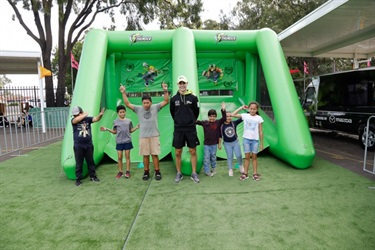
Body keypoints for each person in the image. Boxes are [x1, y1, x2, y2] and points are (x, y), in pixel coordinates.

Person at [120, 82, 169, 181]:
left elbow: (166, 101)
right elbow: (127, 104)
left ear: (151, 102)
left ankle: (157, 171)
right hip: (143, 136)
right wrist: (123, 93)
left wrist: (165, 90)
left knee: (155, 154)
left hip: (154, 135)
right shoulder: (138, 109)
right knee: (145, 155)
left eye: (147, 102)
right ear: (142, 103)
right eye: (144, 103)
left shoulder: (156, 107)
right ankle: (146, 172)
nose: (146, 105)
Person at [170, 75, 200, 183]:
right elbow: (173, 113)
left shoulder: (193, 97)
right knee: (178, 152)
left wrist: (190, 121)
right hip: (178, 129)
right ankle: (179, 173)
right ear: (178, 85)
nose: (182, 85)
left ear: (187, 84)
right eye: (180, 83)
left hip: (190, 128)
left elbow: (196, 112)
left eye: (184, 83)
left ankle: (194, 173)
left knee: (192, 150)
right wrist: (180, 122)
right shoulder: (173, 99)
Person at [100, 105, 139, 179]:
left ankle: (128, 171)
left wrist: (136, 127)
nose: (122, 114)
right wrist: (107, 129)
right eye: (120, 112)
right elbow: (115, 131)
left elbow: (130, 130)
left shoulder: (129, 121)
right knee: (119, 157)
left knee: (127, 156)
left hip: (127, 141)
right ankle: (120, 172)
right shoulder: (115, 122)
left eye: (123, 112)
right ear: (118, 113)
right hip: (119, 142)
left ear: (125, 112)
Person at [71, 106, 105, 186]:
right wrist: (84, 114)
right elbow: (76, 120)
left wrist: (100, 114)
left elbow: (96, 119)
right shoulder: (74, 120)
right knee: (79, 163)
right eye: (75, 115)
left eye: (77, 114)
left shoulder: (87, 119)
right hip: (78, 145)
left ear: (81, 112)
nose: (76, 116)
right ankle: (78, 179)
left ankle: (93, 176)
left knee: (90, 161)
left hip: (88, 144)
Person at [231, 102, 264, 181]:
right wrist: (241, 108)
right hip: (246, 139)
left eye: (254, 109)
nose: (252, 110)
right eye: (251, 109)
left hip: (255, 140)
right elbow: (233, 114)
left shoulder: (259, 118)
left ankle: (255, 173)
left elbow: (260, 131)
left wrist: (261, 144)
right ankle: (245, 173)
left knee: (254, 157)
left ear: (257, 109)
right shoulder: (245, 116)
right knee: (247, 157)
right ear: (249, 109)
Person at [196, 102, 226, 177]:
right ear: (208, 116)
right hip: (207, 144)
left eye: (213, 116)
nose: (212, 118)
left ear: (215, 117)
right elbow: (196, 122)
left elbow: (224, 118)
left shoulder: (218, 122)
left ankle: (213, 168)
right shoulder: (205, 123)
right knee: (206, 158)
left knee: (213, 156)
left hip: (214, 144)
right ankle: (207, 171)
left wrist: (223, 109)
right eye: (210, 116)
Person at [219, 111, 243, 177]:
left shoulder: (233, 123)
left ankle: (241, 166)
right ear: (224, 117)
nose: (229, 117)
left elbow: (242, 118)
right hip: (227, 144)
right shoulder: (222, 126)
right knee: (230, 157)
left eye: (230, 116)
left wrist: (243, 109)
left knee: (239, 155)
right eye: (227, 116)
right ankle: (230, 169)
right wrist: (219, 144)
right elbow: (220, 136)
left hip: (235, 142)